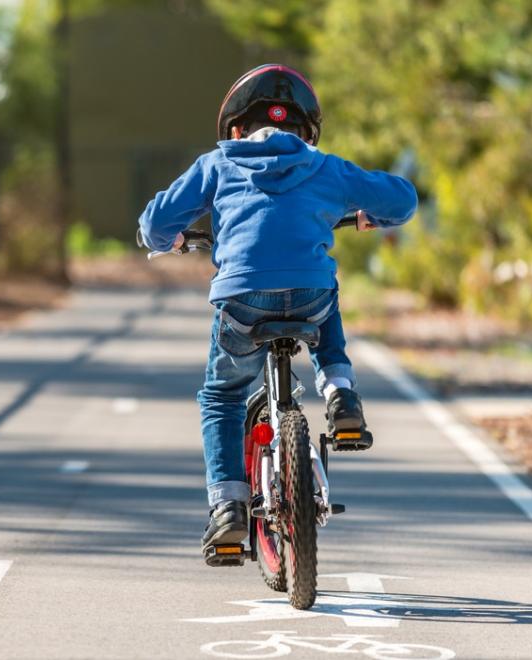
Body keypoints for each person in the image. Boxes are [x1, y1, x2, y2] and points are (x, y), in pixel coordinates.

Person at [137, 64, 418, 558]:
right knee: (323, 287)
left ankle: (227, 509)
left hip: (242, 300)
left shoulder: (218, 163)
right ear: (304, 132)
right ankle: (341, 393)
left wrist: (169, 238)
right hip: (309, 298)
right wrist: (372, 213)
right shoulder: (325, 166)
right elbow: (403, 199)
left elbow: (156, 221)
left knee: (222, 397)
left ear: (237, 130)